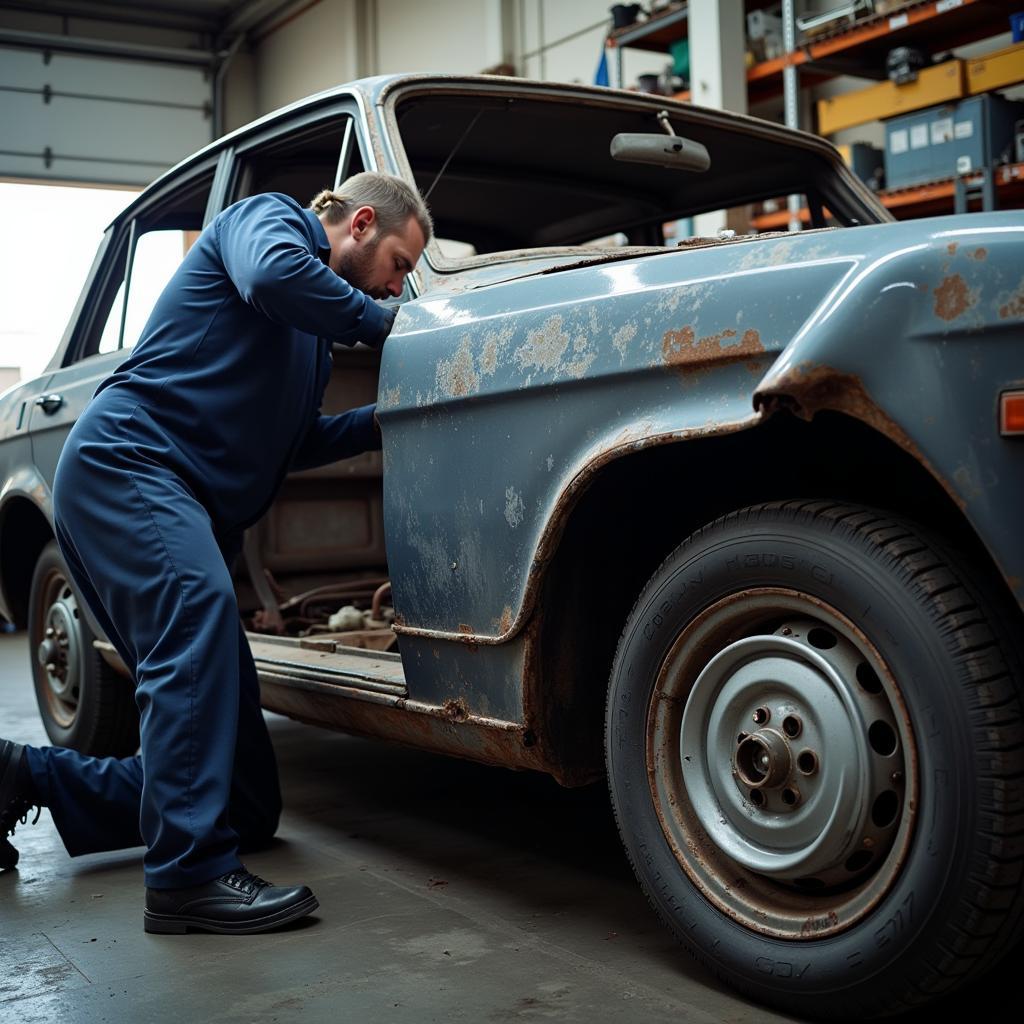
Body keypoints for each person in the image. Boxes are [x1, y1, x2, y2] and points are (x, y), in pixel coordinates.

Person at [0, 172, 432, 934]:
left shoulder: (309, 343)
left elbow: (294, 443)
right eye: (400, 264)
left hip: (168, 493)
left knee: (244, 800)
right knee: (194, 626)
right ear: (361, 223)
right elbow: (272, 275)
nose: (399, 287)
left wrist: (386, 416)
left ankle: (18, 777)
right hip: (128, 466)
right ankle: (186, 878)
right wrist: (390, 324)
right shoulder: (265, 224)